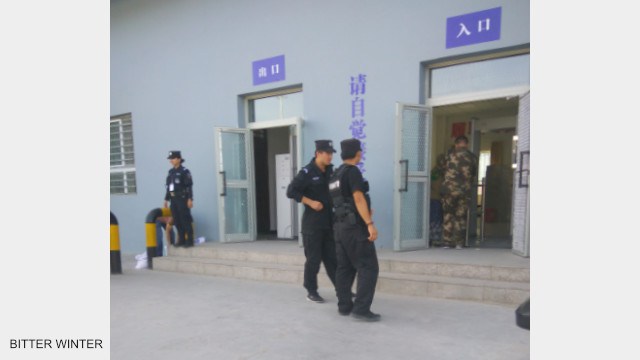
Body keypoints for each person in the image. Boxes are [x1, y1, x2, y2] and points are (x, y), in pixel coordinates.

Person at [330, 138, 380, 321]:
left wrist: (363, 212)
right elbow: (358, 198)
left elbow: (342, 202)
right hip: (354, 228)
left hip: (340, 227)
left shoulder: (336, 175)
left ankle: (344, 306)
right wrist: (369, 223)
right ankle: (361, 309)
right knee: (368, 267)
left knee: (344, 267)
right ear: (358, 153)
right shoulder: (353, 172)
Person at [286, 140, 338, 303]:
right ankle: (311, 291)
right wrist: (310, 202)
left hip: (329, 223)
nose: (330, 156)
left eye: (331, 153)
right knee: (313, 260)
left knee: (332, 259)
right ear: (318, 153)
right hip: (312, 225)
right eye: (327, 153)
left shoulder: (331, 171)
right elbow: (291, 191)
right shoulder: (307, 173)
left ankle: (342, 289)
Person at [440, 136, 478, 249]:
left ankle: (447, 242)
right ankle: (459, 243)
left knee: (448, 215)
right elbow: (474, 174)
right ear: (467, 144)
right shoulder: (472, 157)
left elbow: (442, 170)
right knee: (460, 217)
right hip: (464, 191)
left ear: (456, 144)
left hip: (449, 191)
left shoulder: (447, 155)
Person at [164, 150, 195, 248]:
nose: (171, 161)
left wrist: (190, 199)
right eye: (170, 159)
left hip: (182, 198)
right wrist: (166, 199)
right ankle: (181, 239)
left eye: (173, 158)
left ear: (179, 159)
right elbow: (169, 187)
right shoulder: (171, 172)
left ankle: (189, 240)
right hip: (173, 199)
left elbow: (189, 186)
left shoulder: (184, 171)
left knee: (184, 219)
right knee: (176, 220)